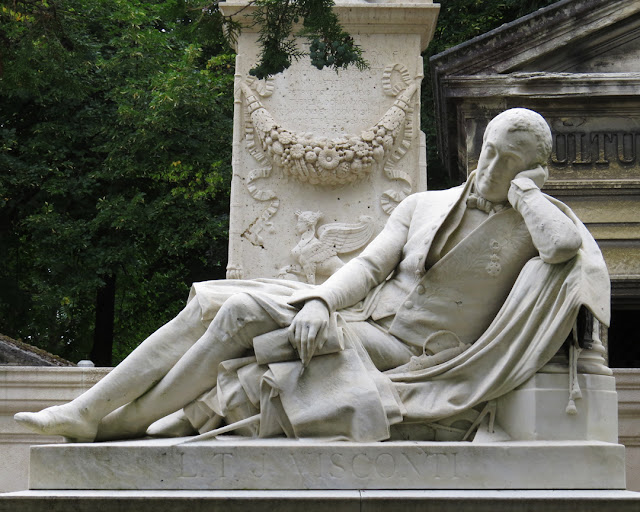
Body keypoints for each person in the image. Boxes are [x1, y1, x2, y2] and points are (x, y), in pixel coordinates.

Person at [15, 108, 598, 442]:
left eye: (510, 163)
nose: (491, 167)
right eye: (490, 151)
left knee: (243, 314)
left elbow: (565, 245)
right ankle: (92, 410)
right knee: (215, 304)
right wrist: (320, 301)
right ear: (479, 145)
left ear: (534, 173)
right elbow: (369, 267)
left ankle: (115, 425)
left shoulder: (532, 225)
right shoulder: (424, 203)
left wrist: (522, 193)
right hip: (355, 314)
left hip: (411, 353)